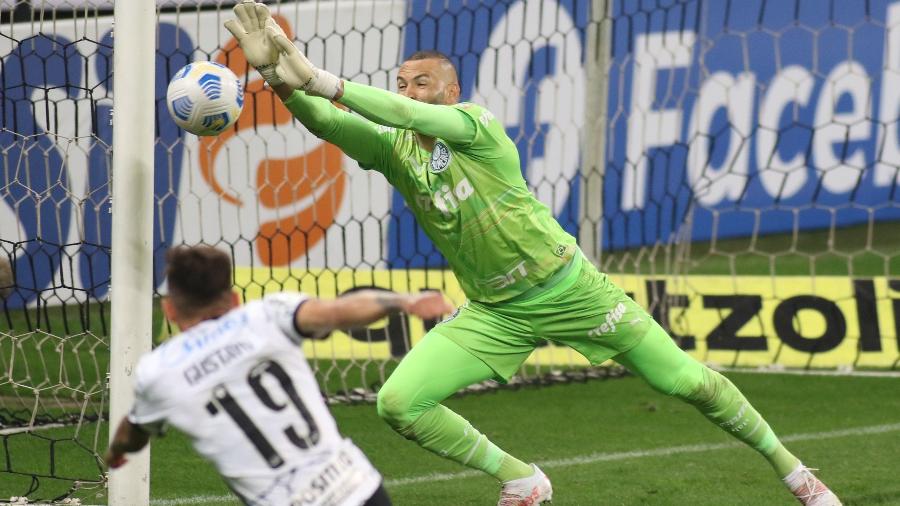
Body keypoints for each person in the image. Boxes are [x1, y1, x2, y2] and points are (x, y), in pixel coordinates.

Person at [224, 2, 842, 505]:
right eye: (402, 82)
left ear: (452, 90)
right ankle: (522, 478)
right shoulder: (396, 152)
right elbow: (330, 124)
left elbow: (400, 112)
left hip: (571, 291)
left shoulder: (477, 125)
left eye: (421, 83)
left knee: (687, 383)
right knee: (398, 403)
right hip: (497, 311)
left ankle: (796, 473)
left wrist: (321, 79)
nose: (409, 92)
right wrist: (279, 79)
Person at [105, 245, 453, 506]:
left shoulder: (159, 371)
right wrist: (403, 302)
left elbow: (132, 433)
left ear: (168, 309)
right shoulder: (267, 314)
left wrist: (117, 452)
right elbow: (338, 311)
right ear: (235, 299)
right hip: (358, 488)